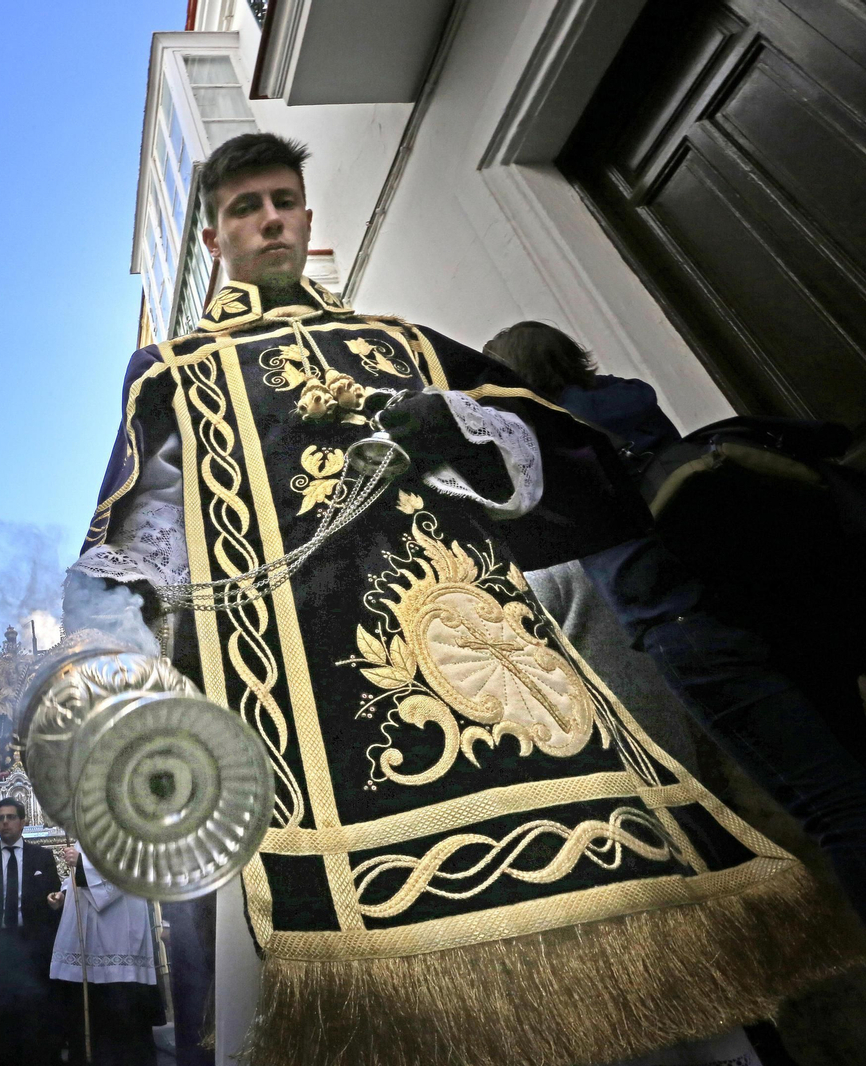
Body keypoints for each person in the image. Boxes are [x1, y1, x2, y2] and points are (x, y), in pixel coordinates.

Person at [66, 131, 851, 1066]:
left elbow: (575, 462)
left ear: (308, 220)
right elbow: (133, 542)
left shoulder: (402, 343)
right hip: (304, 717)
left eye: (282, 200)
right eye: (245, 208)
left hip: (503, 687)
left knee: (626, 962)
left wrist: (470, 429)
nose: (269, 219)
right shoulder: (173, 371)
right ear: (213, 240)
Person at [485, 320, 866, 920]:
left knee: (831, 807)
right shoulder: (628, 396)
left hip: (673, 613)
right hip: (748, 591)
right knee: (851, 763)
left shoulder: (544, 438)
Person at [0, 798, 63, 1066]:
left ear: (22, 822)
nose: (5, 822)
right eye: (0, 818)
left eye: (10, 817)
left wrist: (54, 902)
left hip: (31, 946)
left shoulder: (42, 857)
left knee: (33, 1012)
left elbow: (52, 896)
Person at [48, 845, 161, 1066]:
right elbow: (79, 877)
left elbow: (127, 870)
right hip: (89, 943)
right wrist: (63, 894)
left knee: (121, 1023)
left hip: (119, 937)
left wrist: (82, 865)